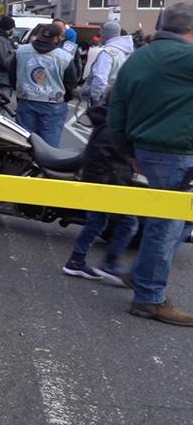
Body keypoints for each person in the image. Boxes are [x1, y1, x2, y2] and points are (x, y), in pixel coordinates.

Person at [108, 2, 193, 327]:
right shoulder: (185, 57)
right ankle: (149, 296)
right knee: (167, 224)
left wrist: (127, 149)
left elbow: (117, 106)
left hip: (145, 149)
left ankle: (144, 274)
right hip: (177, 152)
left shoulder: (138, 56)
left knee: (175, 221)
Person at [61, 95, 138, 285]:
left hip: (100, 182)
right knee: (129, 222)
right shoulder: (113, 127)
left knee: (96, 223)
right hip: (108, 184)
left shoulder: (108, 120)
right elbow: (106, 161)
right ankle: (109, 264)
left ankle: (76, 261)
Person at [15, 23, 77, 147]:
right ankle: (44, 166)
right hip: (53, 102)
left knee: (24, 139)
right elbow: (71, 82)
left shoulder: (21, 51)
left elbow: (12, 74)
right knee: (49, 143)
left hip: (26, 98)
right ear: (56, 38)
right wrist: (65, 98)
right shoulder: (65, 57)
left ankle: (23, 163)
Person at [83, 21, 132, 106]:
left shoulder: (107, 53)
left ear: (105, 35)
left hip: (104, 97)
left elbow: (100, 79)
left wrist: (95, 96)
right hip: (118, 95)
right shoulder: (126, 51)